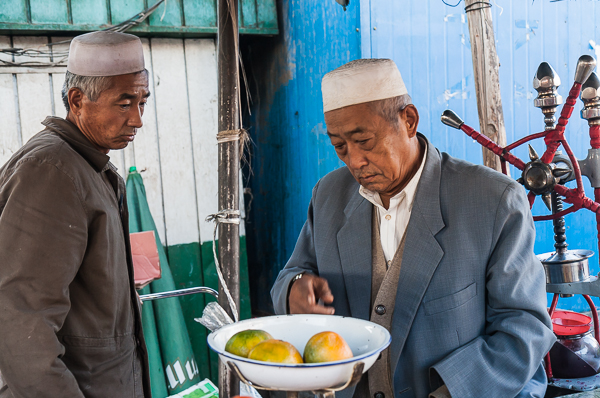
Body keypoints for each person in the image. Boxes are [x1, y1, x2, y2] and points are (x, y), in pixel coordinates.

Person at [271, 59, 556, 398]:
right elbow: (294, 273)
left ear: (408, 120)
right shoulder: (328, 195)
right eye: (340, 146)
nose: (354, 161)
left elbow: (523, 327)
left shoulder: (493, 201)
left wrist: (452, 392)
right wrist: (295, 289)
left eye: (365, 141)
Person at [0, 31, 151, 398]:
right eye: (124, 103)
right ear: (77, 100)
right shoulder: (52, 170)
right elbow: (20, 321)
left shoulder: (90, 167)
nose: (137, 119)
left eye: (143, 102)